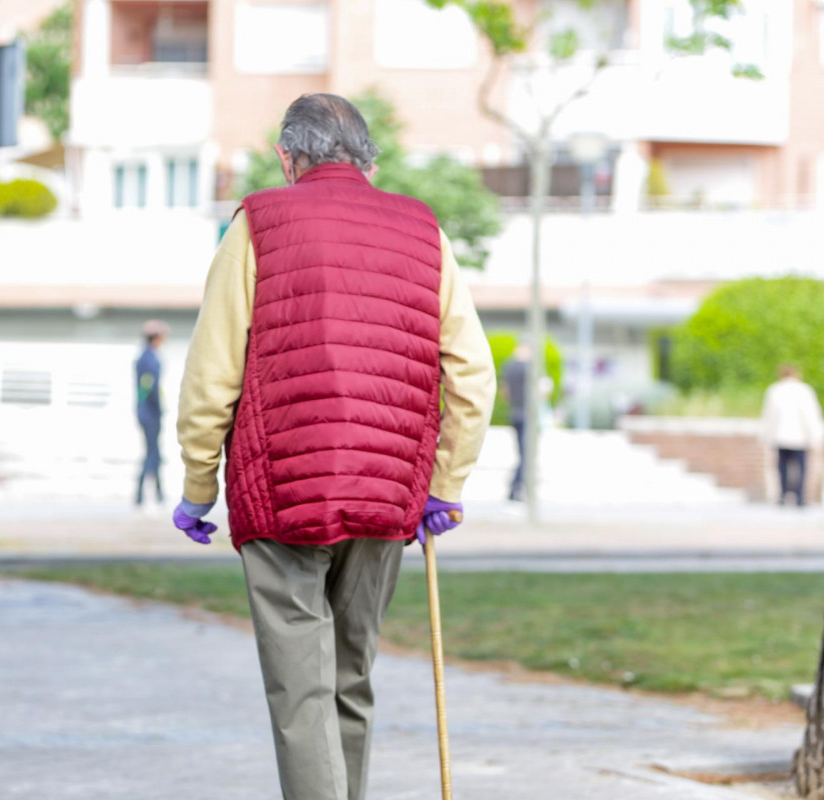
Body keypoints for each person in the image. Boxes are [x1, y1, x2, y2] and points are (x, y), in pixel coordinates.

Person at [172, 94, 495, 800]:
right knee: (353, 673)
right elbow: (472, 371)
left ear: (289, 157)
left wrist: (198, 486)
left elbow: (212, 374)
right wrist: (446, 483)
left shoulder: (258, 222)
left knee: (302, 690)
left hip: (283, 490)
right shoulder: (424, 230)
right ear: (368, 163)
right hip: (387, 493)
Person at [761, 364, 824, 506]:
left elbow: (769, 416)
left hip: (780, 437)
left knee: (782, 468)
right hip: (799, 437)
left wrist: (767, 437)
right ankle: (800, 497)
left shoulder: (774, 390)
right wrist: (815, 437)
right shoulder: (804, 390)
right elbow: (810, 416)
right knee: (801, 468)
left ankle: (783, 496)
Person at [135, 320, 169, 507]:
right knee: (152, 453)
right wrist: (159, 408)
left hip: (146, 412)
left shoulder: (145, 356)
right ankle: (141, 493)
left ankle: (158, 493)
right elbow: (150, 387)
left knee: (154, 451)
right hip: (150, 413)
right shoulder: (149, 359)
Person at [502, 343, 531, 502]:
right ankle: (516, 487)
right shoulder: (529, 369)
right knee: (526, 454)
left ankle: (516, 487)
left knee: (521, 453)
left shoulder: (509, 367)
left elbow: (505, 392)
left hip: (514, 413)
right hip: (527, 415)